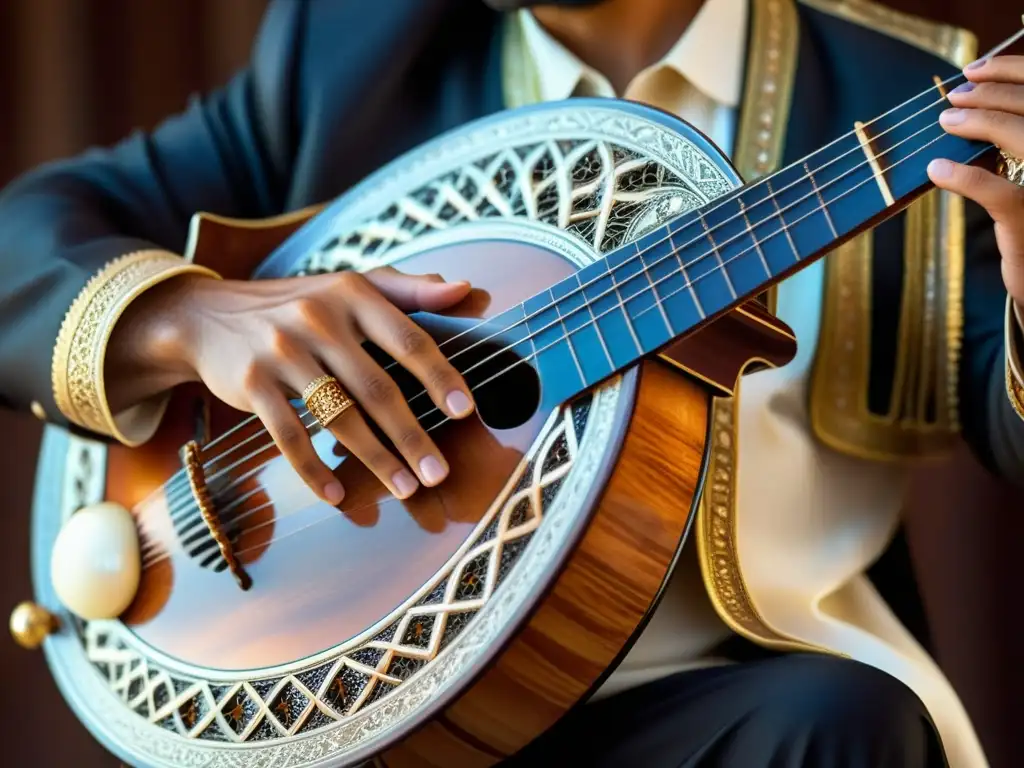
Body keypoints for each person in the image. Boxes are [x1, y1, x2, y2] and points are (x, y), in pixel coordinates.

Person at [1, 0, 1023, 765]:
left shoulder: (905, 85)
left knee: (839, 729)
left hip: (727, 711)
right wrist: (183, 318)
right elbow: (21, 244)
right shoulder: (355, 48)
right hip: (380, 710)